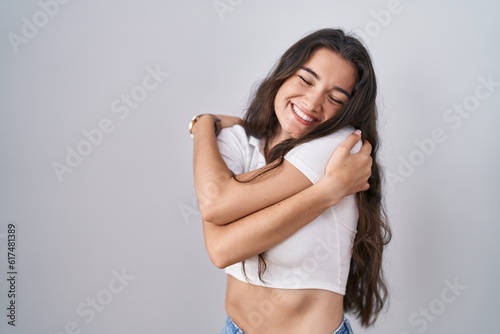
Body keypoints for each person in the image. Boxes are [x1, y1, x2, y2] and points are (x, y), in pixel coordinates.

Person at [190, 28, 391, 334]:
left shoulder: (337, 147)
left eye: (335, 97)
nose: (312, 102)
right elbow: (217, 214)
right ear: (283, 75)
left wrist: (204, 125)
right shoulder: (237, 141)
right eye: (306, 80)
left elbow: (219, 223)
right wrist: (203, 123)